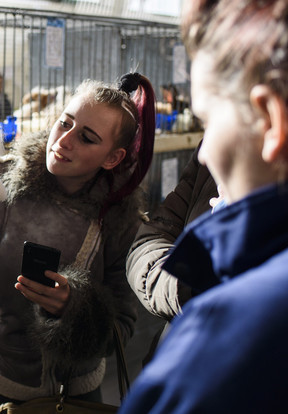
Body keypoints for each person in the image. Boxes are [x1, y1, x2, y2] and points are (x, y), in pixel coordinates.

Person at [0, 72, 157, 414]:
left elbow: (121, 326)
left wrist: (75, 307)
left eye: (87, 137)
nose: (64, 140)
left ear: (112, 158)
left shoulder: (119, 222)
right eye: (65, 122)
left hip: (71, 393)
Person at [120, 1, 288, 412]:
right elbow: (153, 234)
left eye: (210, 121)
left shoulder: (219, 346)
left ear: (270, 120)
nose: (206, 151)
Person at [126, 143, 217, 321]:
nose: (203, 155)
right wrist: (186, 284)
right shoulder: (209, 155)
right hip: (182, 339)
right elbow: (149, 241)